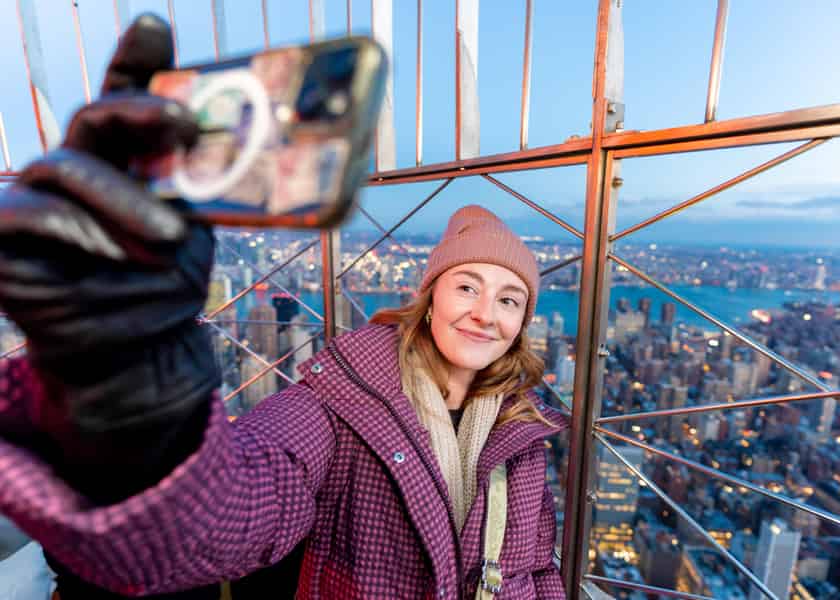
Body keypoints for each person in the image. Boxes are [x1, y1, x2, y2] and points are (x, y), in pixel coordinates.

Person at [0, 15, 566, 600]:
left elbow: (537, 571)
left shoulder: (519, 429)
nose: (485, 313)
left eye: (509, 299)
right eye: (466, 286)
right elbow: (223, 515)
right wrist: (129, 377)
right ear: (428, 300)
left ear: (522, 323)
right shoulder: (338, 405)